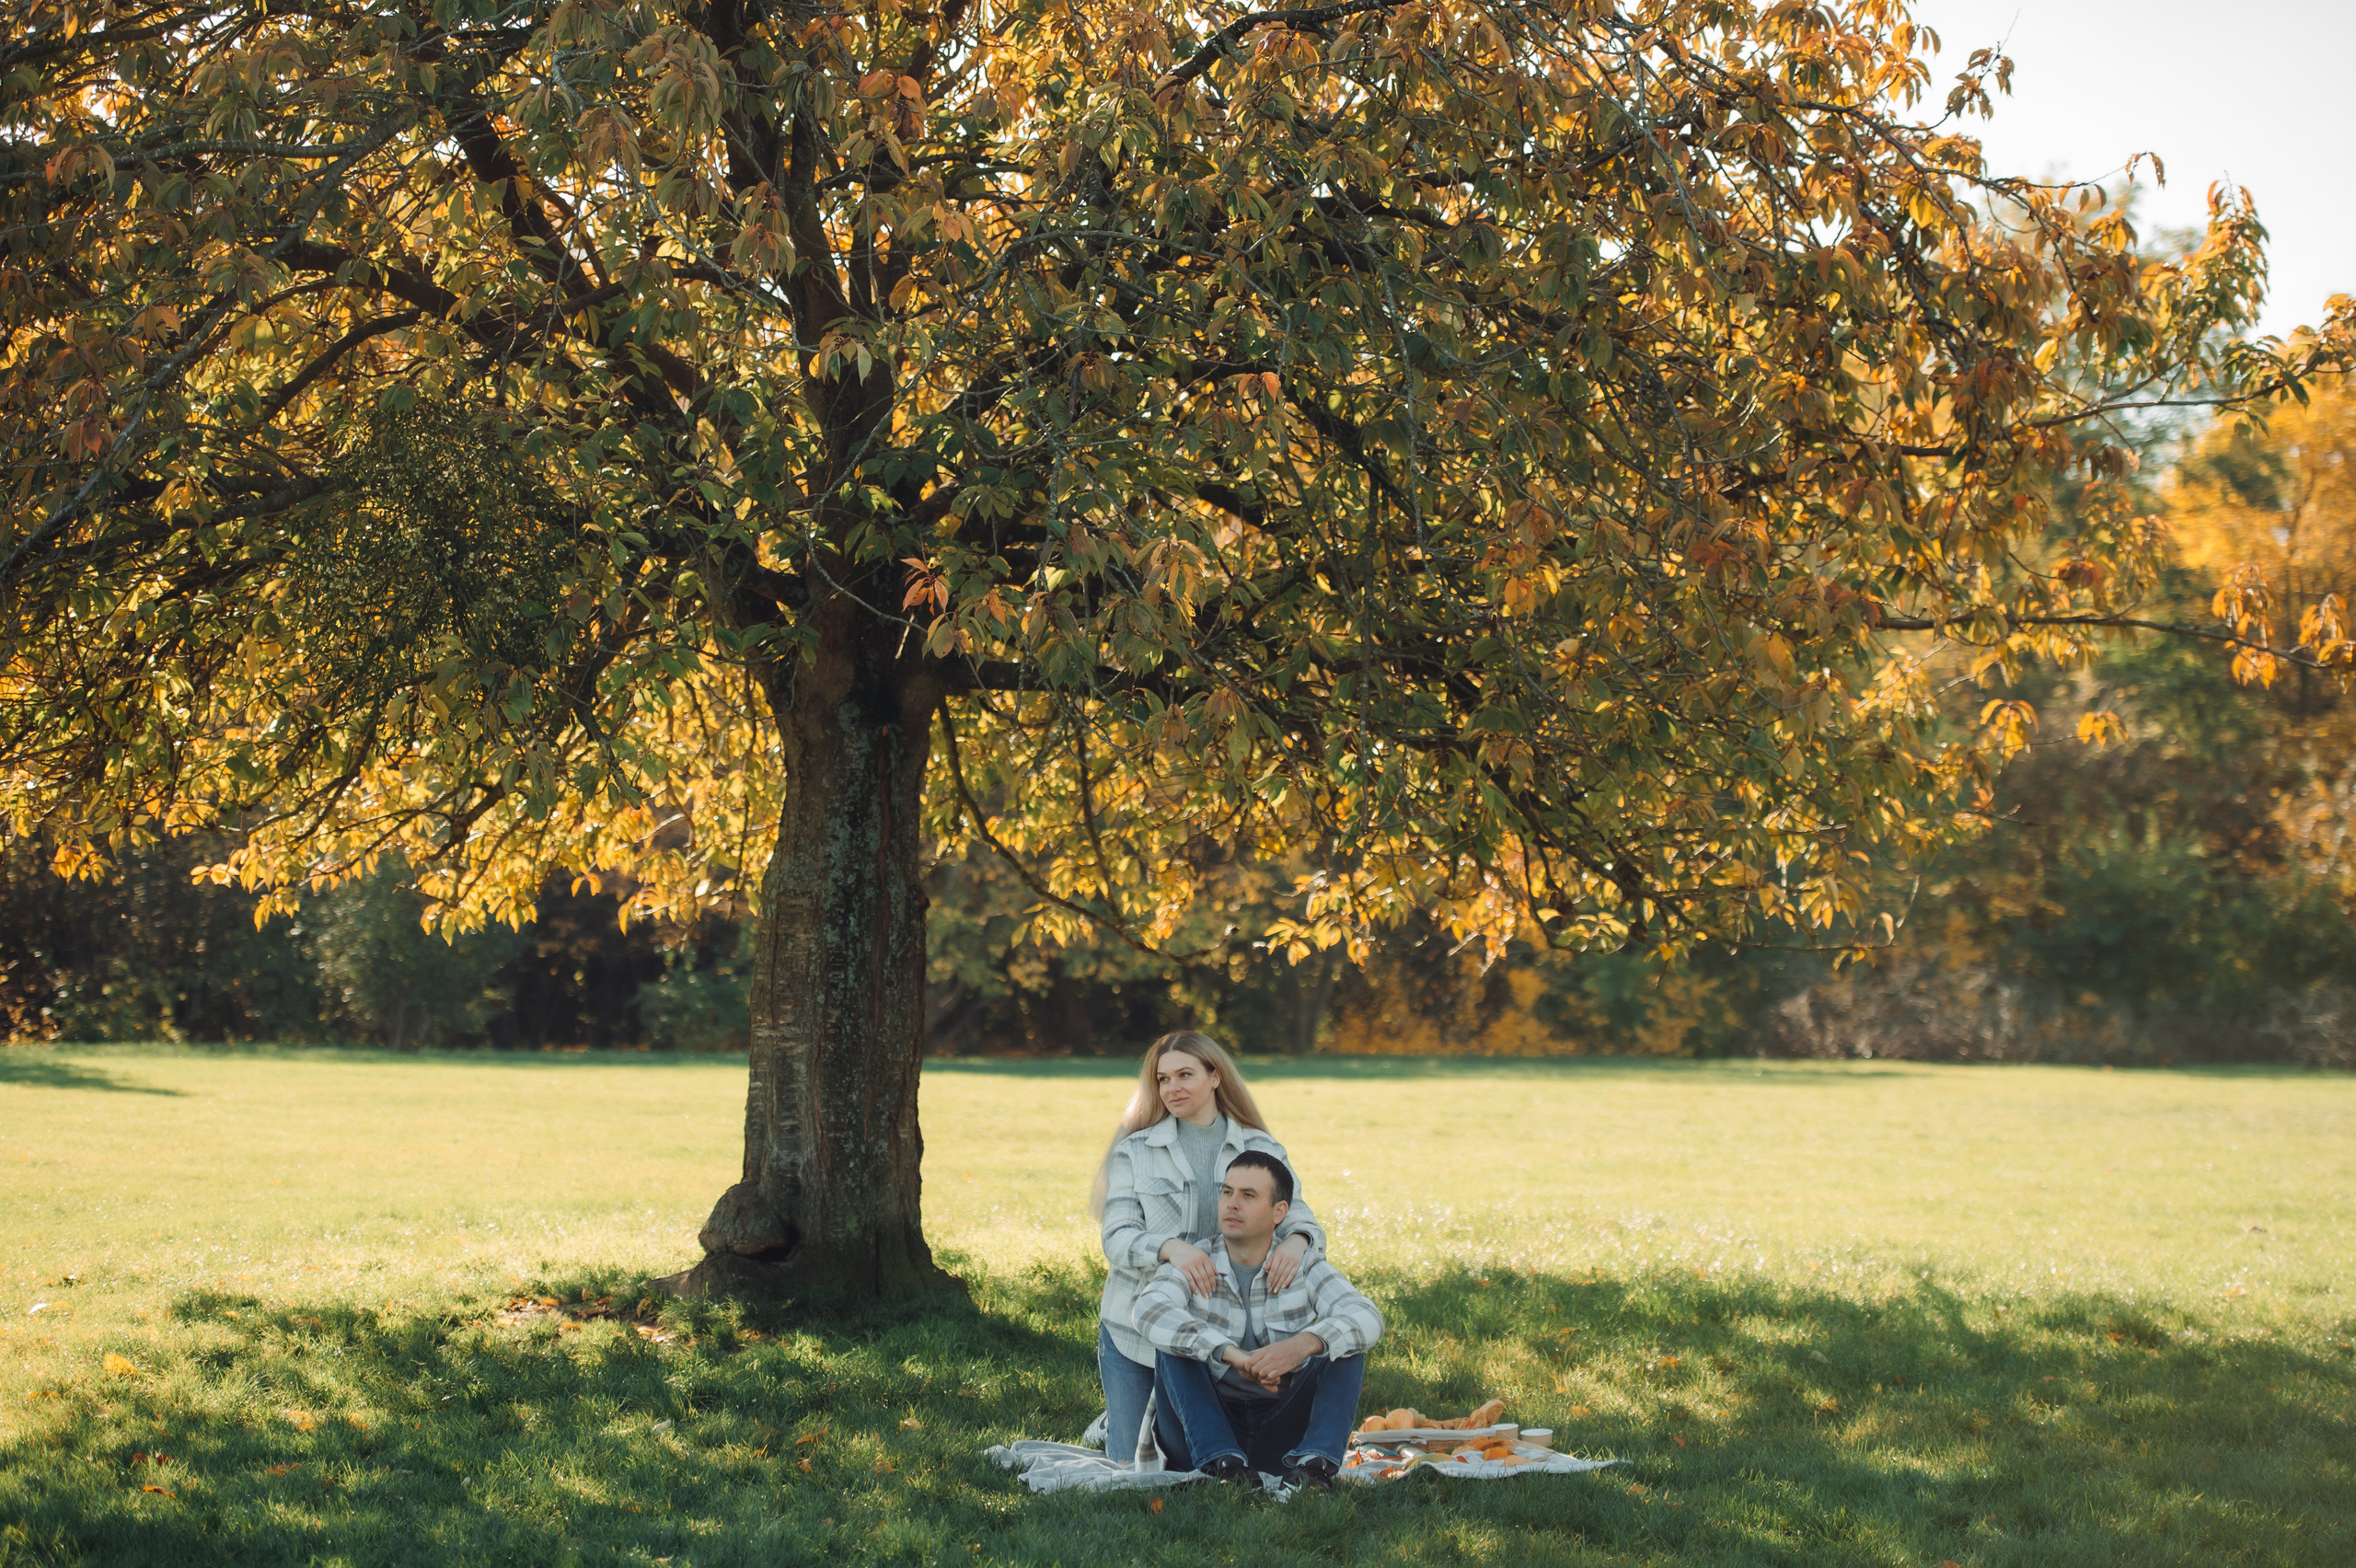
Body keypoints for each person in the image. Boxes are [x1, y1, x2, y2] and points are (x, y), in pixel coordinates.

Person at [1091, 1032, 1326, 1465]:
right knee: (1130, 1469)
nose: (1172, 1088)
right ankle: (1117, 1421)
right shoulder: (1135, 1151)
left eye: (1185, 1074)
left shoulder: (1260, 1146)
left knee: (1201, 1461)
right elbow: (1117, 1237)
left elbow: (1297, 1214)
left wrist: (1298, 1241)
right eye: (1163, 1079)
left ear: (1216, 1076)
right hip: (1134, 1329)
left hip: (1219, 1330)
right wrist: (1171, 1249)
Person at [1132, 1150, 1383, 1491]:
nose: (1232, 1204)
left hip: (1281, 1436)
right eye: (1227, 1192)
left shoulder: (1303, 1266)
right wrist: (1232, 1354)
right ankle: (1226, 1468)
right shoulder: (1195, 1261)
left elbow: (1366, 1315)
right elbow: (1147, 1310)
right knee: (1175, 1344)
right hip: (1199, 1436)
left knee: (1344, 1343)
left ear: (1279, 1211)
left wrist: (1300, 1346)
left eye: (1248, 1196)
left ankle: (1314, 1469)